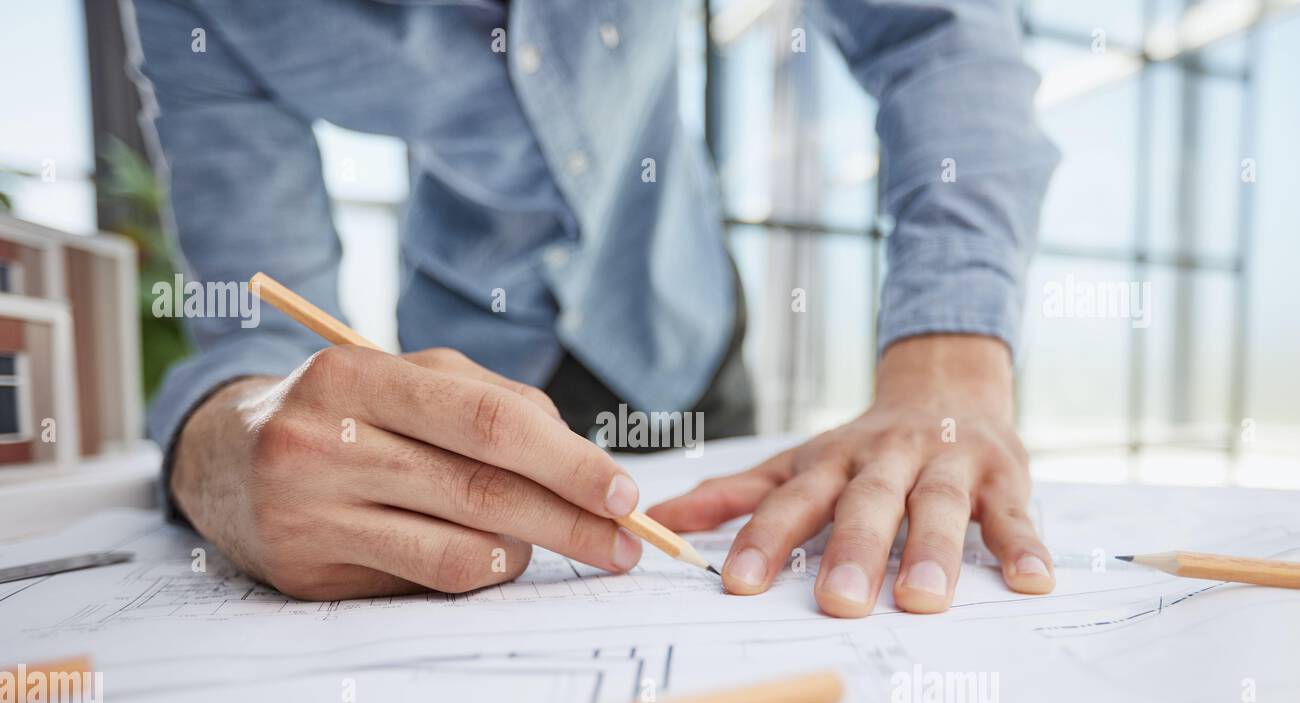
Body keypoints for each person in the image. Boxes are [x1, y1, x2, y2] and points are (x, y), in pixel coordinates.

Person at [126, 0, 1059, 617]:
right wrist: (226, 452)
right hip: (468, 368)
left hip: (682, 326)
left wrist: (948, 367)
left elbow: (938, 30)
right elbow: (260, 326)